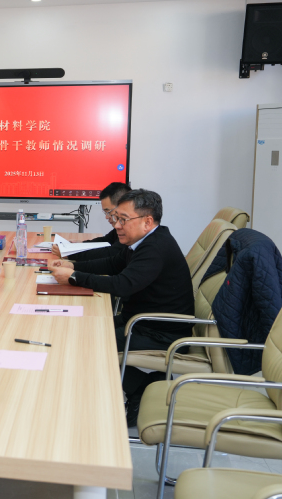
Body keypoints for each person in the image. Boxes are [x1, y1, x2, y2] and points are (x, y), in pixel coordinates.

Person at [48, 189, 193, 426]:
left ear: (147, 222)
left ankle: (139, 388)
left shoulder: (155, 248)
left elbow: (122, 285)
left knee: (85, 341)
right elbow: (112, 264)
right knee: (79, 327)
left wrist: (74, 277)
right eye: (116, 218)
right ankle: (139, 384)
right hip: (140, 320)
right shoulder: (143, 241)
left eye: (123, 219)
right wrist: (72, 265)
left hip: (160, 332)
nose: (116, 225)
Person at [51, 181, 130, 261]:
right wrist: (81, 244)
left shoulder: (130, 230)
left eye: (108, 212)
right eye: (105, 213)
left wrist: (70, 254)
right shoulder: (121, 227)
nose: (106, 217)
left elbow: (110, 253)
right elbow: (106, 241)